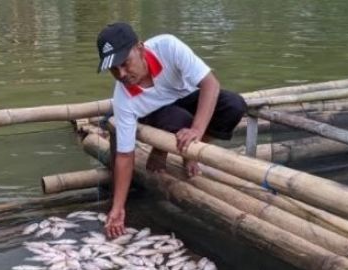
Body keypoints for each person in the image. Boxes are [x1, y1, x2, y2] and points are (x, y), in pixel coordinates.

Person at [96, 22, 246, 239]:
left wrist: (196, 130)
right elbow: (125, 155)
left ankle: (188, 150)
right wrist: (118, 207)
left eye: (125, 63)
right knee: (179, 119)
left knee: (234, 105)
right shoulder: (123, 99)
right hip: (159, 115)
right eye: (113, 69)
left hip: (186, 97)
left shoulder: (167, 46)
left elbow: (210, 84)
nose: (122, 74)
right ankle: (183, 147)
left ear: (140, 49)